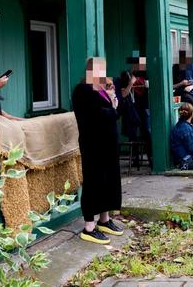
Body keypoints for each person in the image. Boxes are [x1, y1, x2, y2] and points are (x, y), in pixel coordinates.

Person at [71, 57, 124, 245]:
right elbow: (99, 116)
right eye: (98, 70)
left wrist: (113, 102)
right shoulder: (82, 91)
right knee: (94, 181)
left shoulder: (100, 90)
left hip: (108, 143)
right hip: (93, 144)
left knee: (108, 180)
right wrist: (111, 104)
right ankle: (89, 227)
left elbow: (115, 114)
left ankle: (104, 220)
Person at [172, 49, 193, 129]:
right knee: (190, 102)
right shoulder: (175, 68)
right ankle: (188, 128)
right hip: (181, 92)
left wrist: (191, 87)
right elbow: (171, 86)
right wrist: (182, 83)